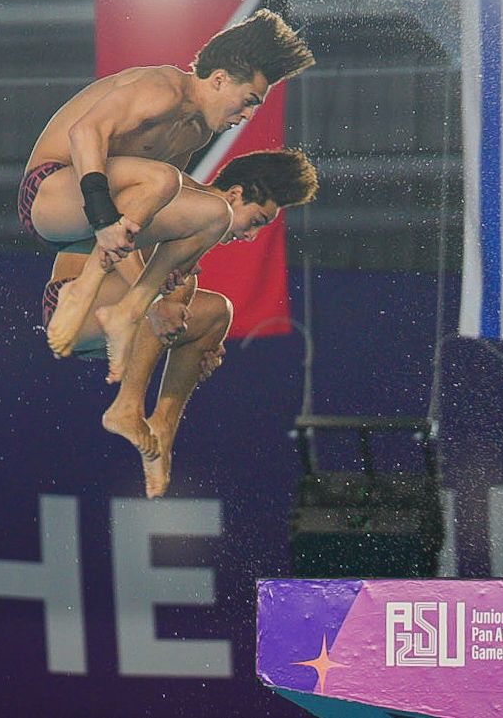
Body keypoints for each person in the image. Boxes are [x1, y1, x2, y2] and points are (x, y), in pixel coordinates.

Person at [17, 9, 315, 395]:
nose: (246, 116)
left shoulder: (195, 133)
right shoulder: (162, 88)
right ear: (220, 79)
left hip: (86, 231)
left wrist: (169, 287)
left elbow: (150, 208)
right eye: (247, 101)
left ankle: (129, 312)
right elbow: (85, 132)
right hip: (48, 195)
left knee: (215, 214)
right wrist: (104, 221)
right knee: (163, 180)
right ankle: (86, 290)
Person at [40, 149, 319, 497]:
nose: (251, 236)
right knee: (176, 292)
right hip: (71, 303)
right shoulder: (181, 195)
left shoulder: (202, 225)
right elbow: (112, 233)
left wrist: (199, 345)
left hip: (109, 328)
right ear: (235, 194)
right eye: (257, 221)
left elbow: (168, 298)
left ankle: (163, 427)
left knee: (217, 313)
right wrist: (157, 303)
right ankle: (126, 406)